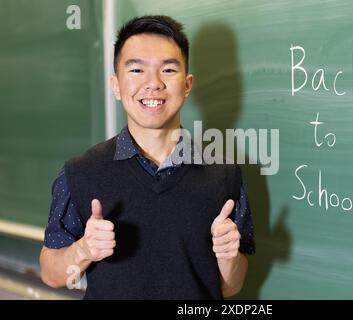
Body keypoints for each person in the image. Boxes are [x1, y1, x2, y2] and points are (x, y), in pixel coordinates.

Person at [39, 15, 255, 299]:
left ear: (187, 85)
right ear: (116, 86)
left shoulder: (223, 173)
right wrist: (84, 250)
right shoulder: (80, 172)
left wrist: (228, 257)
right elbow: (51, 274)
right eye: (137, 70)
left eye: (167, 70)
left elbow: (230, 287)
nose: (153, 84)